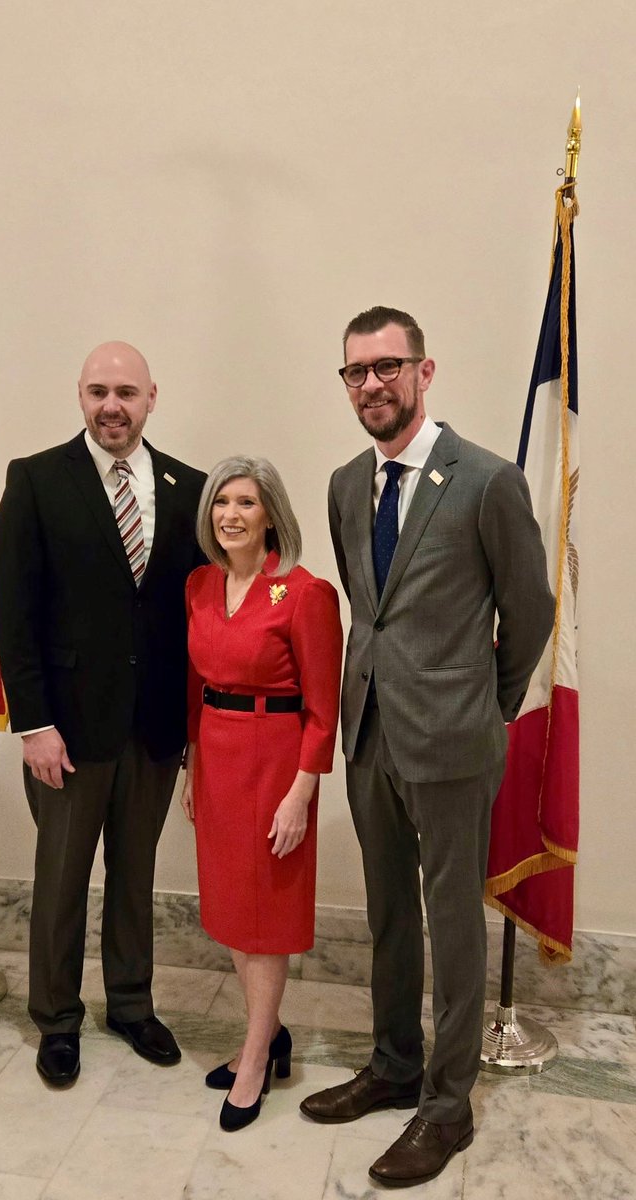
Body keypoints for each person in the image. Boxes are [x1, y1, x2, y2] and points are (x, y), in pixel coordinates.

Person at [300, 307, 554, 1187]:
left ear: (423, 370)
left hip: (453, 743)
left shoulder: (484, 480)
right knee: (386, 916)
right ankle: (392, 1065)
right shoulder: (342, 483)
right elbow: (367, 610)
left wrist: (489, 705)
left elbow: (530, 611)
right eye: (355, 372)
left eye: (387, 367)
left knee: (451, 927)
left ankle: (446, 1108)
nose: (371, 384)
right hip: (368, 735)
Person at [0, 341, 206, 1086]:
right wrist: (33, 724)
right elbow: (12, 615)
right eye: (96, 392)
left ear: (152, 397)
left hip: (152, 729)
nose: (110, 406)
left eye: (125, 392)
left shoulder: (191, 488)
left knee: (135, 874)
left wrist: (195, 733)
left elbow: (195, 617)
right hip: (68, 731)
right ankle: (55, 1017)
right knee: (60, 878)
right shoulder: (38, 480)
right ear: (79, 397)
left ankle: (131, 1004)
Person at [181, 456, 343, 1131]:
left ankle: (254, 1058)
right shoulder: (198, 584)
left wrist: (301, 793)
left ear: (270, 513)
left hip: (275, 765)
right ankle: (267, 1033)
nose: (231, 515)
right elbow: (195, 686)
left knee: (264, 917)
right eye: (222, 503)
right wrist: (191, 764)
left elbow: (323, 707)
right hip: (216, 760)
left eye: (245, 502)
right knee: (229, 910)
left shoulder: (304, 594)